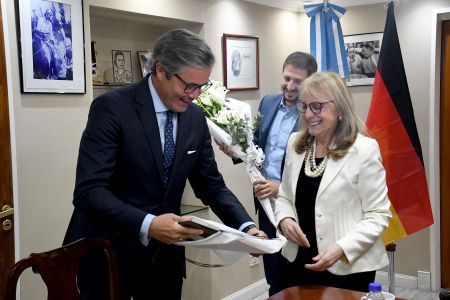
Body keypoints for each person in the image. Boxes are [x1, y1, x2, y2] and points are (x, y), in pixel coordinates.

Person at [63, 29, 266, 300]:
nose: (194, 95)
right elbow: (89, 192)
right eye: (188, 85)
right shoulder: (112, 108)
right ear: (160, 70)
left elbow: (211, 185)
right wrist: (149, 224)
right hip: (109, 254)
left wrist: (246, 229)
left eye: (201, 87)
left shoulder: (195, 118)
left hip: (165, 261)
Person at [274, 72, 392, 292]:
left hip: (347, 266)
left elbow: (378, 215)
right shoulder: (294, 144)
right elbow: (284, 196)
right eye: (304, 106)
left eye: (317, 106)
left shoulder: (363, 150)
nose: (309, 114)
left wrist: (340, 249)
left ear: (339, 109)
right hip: (296, 262)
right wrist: (285, 220)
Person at [217, 51, 317, 296]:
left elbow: (318, 169)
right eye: (287, 78)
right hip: (265, 203)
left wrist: (280, 189)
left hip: (298, 207)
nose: (290, 86)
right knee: (274, 271)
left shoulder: (314, 114)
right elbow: (257, 148)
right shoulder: (268, 103)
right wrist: (235, 150)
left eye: (298, 81)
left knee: (299, 274)